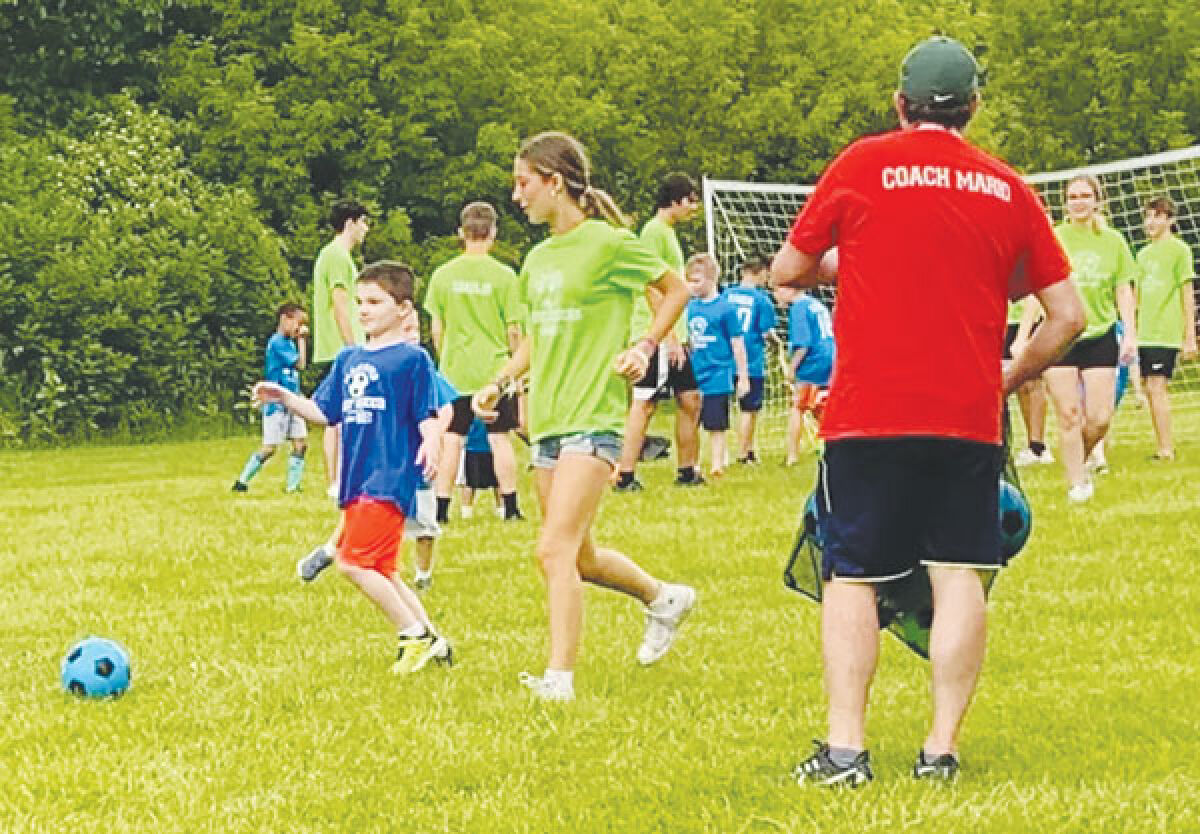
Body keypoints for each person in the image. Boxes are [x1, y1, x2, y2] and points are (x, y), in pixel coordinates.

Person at [772, 35, 1083, 786]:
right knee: (960, 574)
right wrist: (1009, 377)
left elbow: (787, 271)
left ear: (899, 103)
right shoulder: (1007, 187)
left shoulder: (861, 164)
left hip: (867, 413)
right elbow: (1067, 314)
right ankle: (939, 752)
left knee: (852, 575)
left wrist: (858, 258)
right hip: (965, 415)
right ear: (973, 107)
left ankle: (846, 751)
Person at [473, 131, 696, 702]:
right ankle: (664, 598)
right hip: (547, 420)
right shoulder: (537, 259)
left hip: (593, 418)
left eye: (523, 183)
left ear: (555, 181)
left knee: (551, 550)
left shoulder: (609, 243)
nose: (517, 197)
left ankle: (559, 680)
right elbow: (535, 341)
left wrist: (645, 346)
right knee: (580, 555)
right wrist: (500, 381)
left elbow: (675, 289)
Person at [255, 261, 454, 674]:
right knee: (382, 568)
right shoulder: (347, 359)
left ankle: (412, 635)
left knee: (352, 562)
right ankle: (433, 639)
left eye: (375, 302)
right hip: (356, 478)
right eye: (360, 301)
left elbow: (429, 413)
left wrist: (432, 441)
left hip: (388, 476)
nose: (363, 309)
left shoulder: (412, 359)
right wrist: (286, 397)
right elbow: (324, 413)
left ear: (403, 309)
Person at [1016, 173, 1138, 502]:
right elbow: (1035, 291)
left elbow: (1123, 289)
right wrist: (1024, 335)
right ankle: (1077, 485)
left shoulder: (1113, 241)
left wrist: (1130, 334)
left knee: (1099, 418)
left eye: (1085, 195)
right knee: (1068, 413)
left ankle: (1080, 459)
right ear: (1065, 203)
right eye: (1072, 196)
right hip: (1061, 333)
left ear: (1097, 200)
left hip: (1099, 333)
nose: (1078, 201)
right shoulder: (1055, 238)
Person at [425, 202, 525, 523]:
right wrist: (517, 370)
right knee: (499, 438)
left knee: (452, 439)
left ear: (460, 233)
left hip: (455, 371)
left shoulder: (443, 275)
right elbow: (513, 329)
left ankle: (441, 509)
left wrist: (446, 359)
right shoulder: (505, 277)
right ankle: (509, 507)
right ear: (493, 233)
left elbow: (437, 328)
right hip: (494, 371)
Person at [614, 172, 705, 490]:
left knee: (691, 399)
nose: (694, 208)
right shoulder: (653, 233)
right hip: (654, 336)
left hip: (673, 335)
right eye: (691, 201)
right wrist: (665, 336)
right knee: (645, 403)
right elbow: (651, 288)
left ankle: (687, 470)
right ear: (677, 200)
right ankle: (624, 474)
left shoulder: (667, 233)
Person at [312, 200, 370, 495]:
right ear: (350, 223)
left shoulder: (337, 256)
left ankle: (339, 478)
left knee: (342, 416)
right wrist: (352, 347)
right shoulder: (336, 256)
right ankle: (335, 481)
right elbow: (340, 305)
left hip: (337, 346)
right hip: (339, 347)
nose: (366, 229)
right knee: (337, 418)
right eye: (363, 222)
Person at [1135, 195, 1197, 460]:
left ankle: (1165, 449)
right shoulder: (1142, 254)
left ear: (1170, 220)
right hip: (1144, 331)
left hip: (1165, 330)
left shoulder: (1179, 250)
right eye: (1148, 216)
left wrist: (1190, 336)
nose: (1151, 222)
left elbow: (1186, 293)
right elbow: (1135, 295)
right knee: (1149, 388)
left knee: (1157, 387)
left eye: (1157, 216)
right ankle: (1161, 443)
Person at [232, 303, 310, 493]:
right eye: (297, 324)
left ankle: (293, 486)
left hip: (293, 399)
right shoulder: (277, 342)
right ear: (285, 319)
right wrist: (302, 340)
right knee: (269, 448)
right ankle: (242, 481)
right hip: (277, 402)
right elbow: (300, 363)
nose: (299, 329)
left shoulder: (290, 343)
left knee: (300, 444)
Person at [684, 253, 749, 477]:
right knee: (691, 420)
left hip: (718, 374)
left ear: (711, 280)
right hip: (694, 373)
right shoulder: (689, 308)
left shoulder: (726, 309)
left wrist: (743, 376)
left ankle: (717, 463)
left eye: (696, 281)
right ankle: (692, 462)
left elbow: (737, 344)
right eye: (689, 281)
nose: (691, 286)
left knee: (716, 422)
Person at [722, 255, 779, 464]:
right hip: (751, 360)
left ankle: (722, 452)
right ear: (761, 272)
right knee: (749, 408)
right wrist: (776, 343)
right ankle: (745, 452)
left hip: (724, 359)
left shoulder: (726, 295)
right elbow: (766, 332)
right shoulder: (762, 299)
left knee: (722, 405)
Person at [775, 286, 835, 466]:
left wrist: (792, 368)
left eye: (778, 290)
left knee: (798, 407)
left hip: (813, 363)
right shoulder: (815, 304)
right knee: (821, 406)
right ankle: (830, 445)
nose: (776, 295)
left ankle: (792, 456)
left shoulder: (799, 308)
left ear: (790, 289)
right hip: (830, 357)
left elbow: (803, 344)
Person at [1006, 298, 1053, 466]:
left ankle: (1037, 445)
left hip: (1026, 320)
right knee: (1016, 384)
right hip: (1000, 317)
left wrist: (1022, 335)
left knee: (1031, 381)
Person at [458, 418, 502, 519]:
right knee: (469, 483)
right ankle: (466, 512)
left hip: (489, 447)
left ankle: (502, 509)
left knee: (498, 481)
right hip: (474, 447)